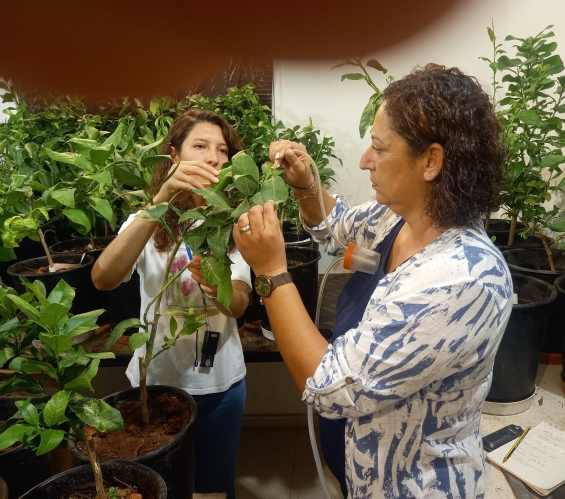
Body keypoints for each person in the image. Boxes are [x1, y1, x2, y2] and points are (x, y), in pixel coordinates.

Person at [233, 64, 513, 498]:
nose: (365, 160)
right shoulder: (394, 219)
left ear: (431, 162)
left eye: (379, 148)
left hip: (410, 484)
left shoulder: (461, 279)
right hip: (357, 462)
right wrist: (306, 184)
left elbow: (327, 384)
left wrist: (270, 272)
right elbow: (334, 226)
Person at [92, 109, 251, 498]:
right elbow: (103, 278)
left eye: (223, 150)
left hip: (219, 382)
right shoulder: (148, 221)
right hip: (157, 381)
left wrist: (217, 287)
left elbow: (240, 304)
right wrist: (160, 201)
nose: (214, 157)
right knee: (161, 484)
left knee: (214, 487)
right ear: (174, 155)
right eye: (200, 146)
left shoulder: (233, 224)